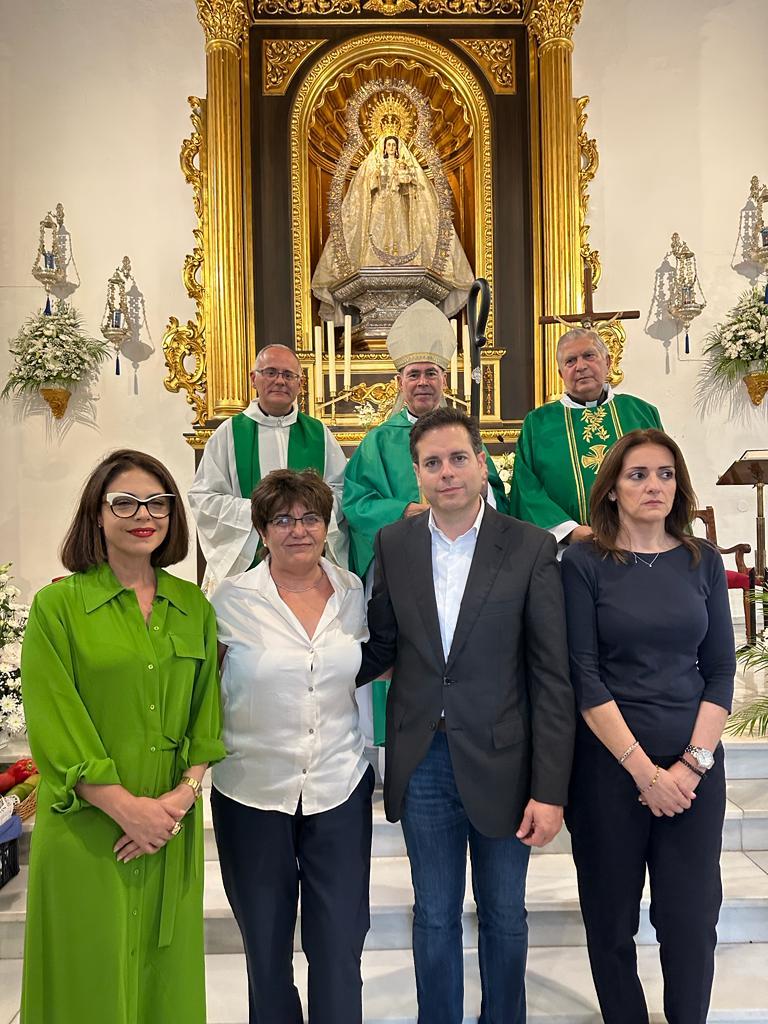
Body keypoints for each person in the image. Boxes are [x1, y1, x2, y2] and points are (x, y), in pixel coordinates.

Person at [358, 406, 576, 1024]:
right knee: (433, 912)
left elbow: (551, 677)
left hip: (506, 760)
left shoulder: (529, 546)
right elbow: (381, 644)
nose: (446, 472)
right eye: (432, 463)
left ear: (482, 465)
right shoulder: (394, 544)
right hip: (424, 759)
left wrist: (550, 788)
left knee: (505, 911)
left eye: (458, 459)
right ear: (418, 475)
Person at [20, 449, 226, 1024]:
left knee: (166, 982)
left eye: (158, 502)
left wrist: (177, 802)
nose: (144, 513)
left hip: (168, 827)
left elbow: (206, 717)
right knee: (85, 981)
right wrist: (123, 808)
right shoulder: (58, 607)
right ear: (97, 513)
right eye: (125, 502)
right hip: (89, 831)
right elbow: (55, 719)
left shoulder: (193, 608)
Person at [560, 428, 735, 1024]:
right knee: (609, 918)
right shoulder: (583, 561)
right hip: (610, 768)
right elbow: (584, 676)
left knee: (690, 918)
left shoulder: (701, 560)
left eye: (664, 473)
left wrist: (689, 765)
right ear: (611, 489)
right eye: (637, 474)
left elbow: (719, 672)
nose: (653, 485)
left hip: (693, 768)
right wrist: (644, 772)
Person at [210, 469, 374, 1024]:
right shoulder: (230, 598)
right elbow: (202, 687)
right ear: (262, 531)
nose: (297, 530)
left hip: (338, 783)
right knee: (266, 940)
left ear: (327, 526)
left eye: (310, 518)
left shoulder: (353, 593)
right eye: (282, 519)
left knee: (340, 939)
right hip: (252, 790)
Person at [343, 298, 509, 744]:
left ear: (443, 379)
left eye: (430, 373)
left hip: (462, 562)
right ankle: (396, 741)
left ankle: (463, 729)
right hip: (404, 568)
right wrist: (404, 512)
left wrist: (473, 494)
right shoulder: (378, 441)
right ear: (399, 381)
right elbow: (354, 504)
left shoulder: (465, 436)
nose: (422, 382)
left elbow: (497, 497)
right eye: (413, 374)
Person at [188, 343, 348, 593]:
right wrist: (261, 512)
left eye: (288, 375)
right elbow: (204, 498)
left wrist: (304, 521)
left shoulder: (319, 434)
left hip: (305, 558)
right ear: (254, 378)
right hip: (248, 561)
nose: (280, 381)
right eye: (271, 372)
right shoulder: (229, 433)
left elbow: (340, 492)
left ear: (299, 383)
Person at [509, 327, 662, 545]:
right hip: (568, 552)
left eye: (589, 356)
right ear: (561, 373)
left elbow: (667, 476)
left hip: (642, 544)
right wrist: (570, 531)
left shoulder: (641, 413)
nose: (580, 366)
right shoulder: (538, 423)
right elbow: (526, 489)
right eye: (570, 361)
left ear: (608, 362)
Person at [311, 134, 474, 323]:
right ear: (383, 147)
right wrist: (376, 178)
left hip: (397, 203)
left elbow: (412, 189)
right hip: (380, 203)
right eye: (387, 144)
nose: (390, 147)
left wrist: (404, 179)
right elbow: (367, 187)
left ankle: (403, 262)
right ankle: (374, 262)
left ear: (396, 148)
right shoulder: (374, 164)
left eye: (392, 144)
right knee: (377, 229)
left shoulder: (404, 163)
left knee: (400, 229)